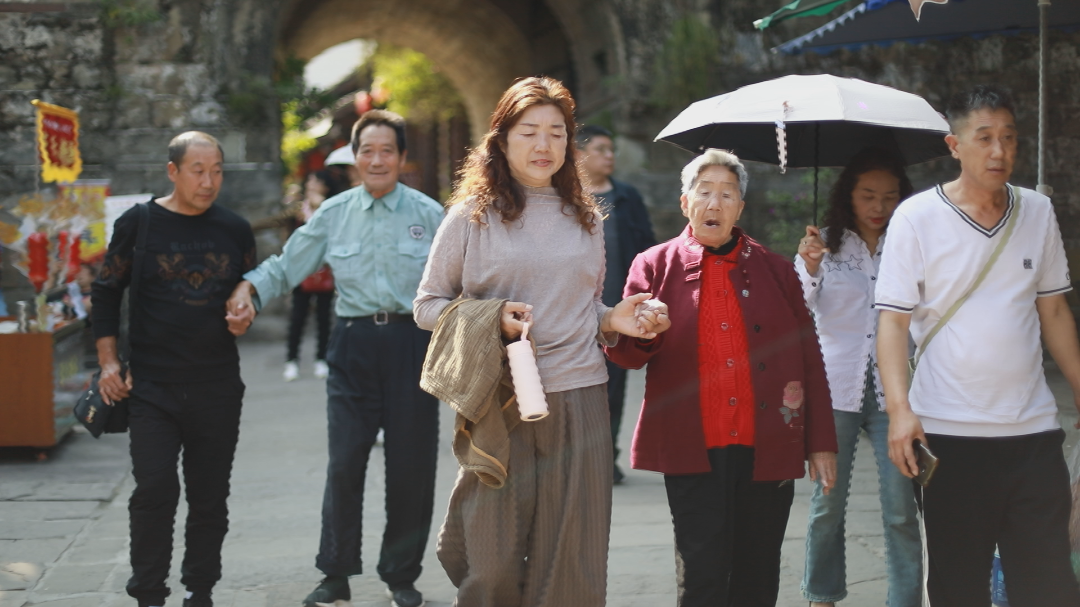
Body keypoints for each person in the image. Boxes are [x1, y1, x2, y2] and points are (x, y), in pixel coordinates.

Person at [413, 76, 669, 607]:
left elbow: (585, 307)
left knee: (573, 555)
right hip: (500, 400)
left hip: (581, 395)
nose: (544, 145)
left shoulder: (586, 216)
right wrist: (491, 318)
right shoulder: (471, 215)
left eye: (557, 132)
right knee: (491, 559)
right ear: (502, 140)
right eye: (529, 131)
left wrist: (615, 319)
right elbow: (427, 305)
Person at [226, 110, 443, 607]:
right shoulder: (334, 213)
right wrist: (248, 291)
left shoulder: (430, 215)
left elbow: (465, 275)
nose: (377, 160)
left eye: (387, 151)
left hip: (413, 344)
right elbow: (288, 265)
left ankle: (402, 576)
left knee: (410, 464)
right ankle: (335, 573)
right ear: (353, 158)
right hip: (352, 345)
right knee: (345, 461)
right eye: (367, 151)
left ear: (402, 157)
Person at [876, 84, 1080, 607]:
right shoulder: (916, 217)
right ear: (954, 145)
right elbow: (892, 323)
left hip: (1033, 430)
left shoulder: (1037, 211)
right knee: (958, 585)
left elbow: (1054, 310)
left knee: (1049, 584)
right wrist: (899, 411)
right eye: (984, 137)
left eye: (1008, 138)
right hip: (949, 434)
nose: (999, 151)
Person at [605, 149, 837, 607]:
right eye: (705, 192)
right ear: (685, 202)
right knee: (702, 573)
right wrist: (644, 331)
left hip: (767, 442)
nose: (715, 203)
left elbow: (809, 357)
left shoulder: (776, 271)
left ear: (740, 208)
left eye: (727, 194)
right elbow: (626, 356)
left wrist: (821, 442)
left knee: (758, 572)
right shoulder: (654, 264)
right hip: (692, 446)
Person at [91, 131, 257, 607]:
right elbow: (106, 290)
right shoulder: (138, 223)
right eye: (197, 171)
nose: (208, 182)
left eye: (217, 171)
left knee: (209, 498)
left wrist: (247, 308)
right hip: (151, 387)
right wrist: (108, 362)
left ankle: (199, 590)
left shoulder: (235, 229)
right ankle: (148, 593)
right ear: (173, 171)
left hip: (217, 386)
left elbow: (248, 286)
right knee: (154, 489)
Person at [795, 149, 921, 607]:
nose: (878, 206)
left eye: (889, 196)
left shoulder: (913, 244)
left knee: (901, 507)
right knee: (827, 503)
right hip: (835, 388)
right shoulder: (824, 245)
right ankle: (821, 595)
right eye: (868, 195)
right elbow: (797, 308)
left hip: (897, 393)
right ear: (848, 195)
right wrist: (809, 266)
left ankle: (904, 600)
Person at [576, 124, 657, 484]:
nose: (609, 156)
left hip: (617, 313)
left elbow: (647, 249)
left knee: (613, 388)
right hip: (574, 312)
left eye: (612, 150)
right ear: (579, 154)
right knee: (574, 389)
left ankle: (605, 459)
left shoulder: (627, 198)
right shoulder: (566, 197)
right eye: (601, 149)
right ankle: (575, 460)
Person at [252, 169, 348, 381]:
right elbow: (275, 221)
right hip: (300, 271)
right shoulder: (298, 209)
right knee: (297, 317)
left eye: (316, 181)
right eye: (310, 180)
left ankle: (321, 359)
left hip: (325, 271)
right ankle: (291, 360)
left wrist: (320, 207)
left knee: (324, 318)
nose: (311, 184)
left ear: (325, 186)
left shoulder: (332, 208)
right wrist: (243, 227)